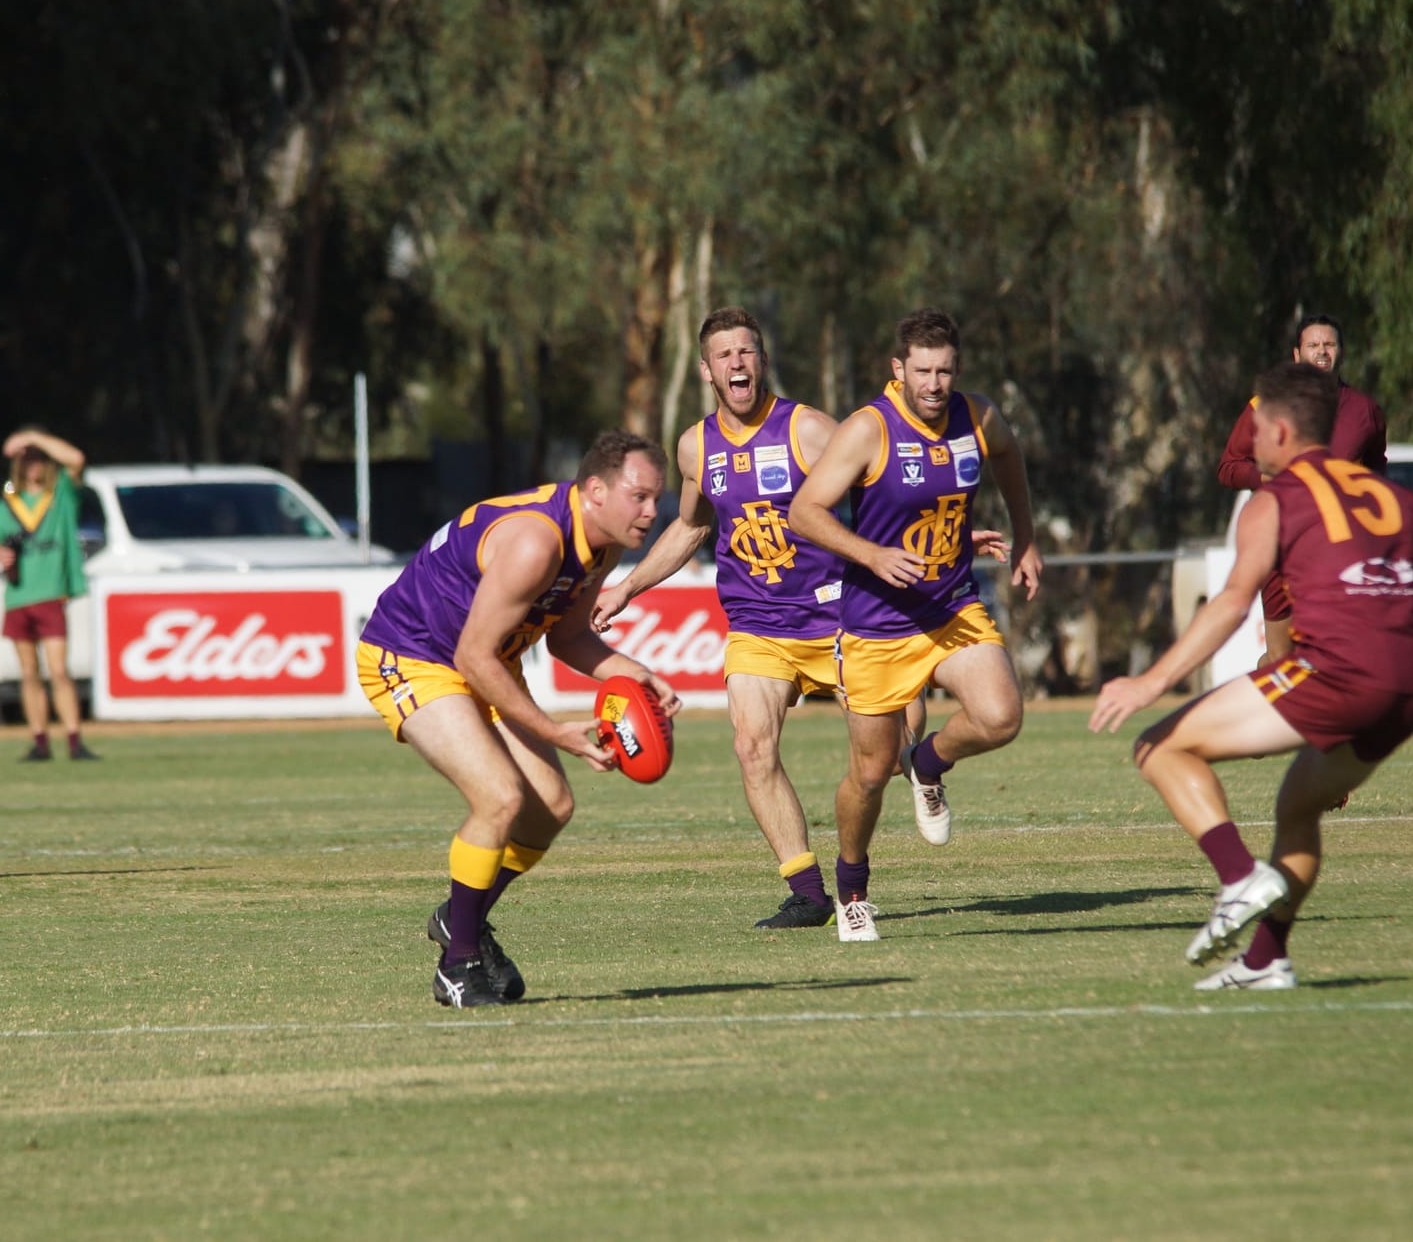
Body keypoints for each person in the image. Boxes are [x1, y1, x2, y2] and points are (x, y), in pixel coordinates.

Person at [591, 308, 1001, 931]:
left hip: (841, 617)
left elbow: (887, 492)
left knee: (890, 755)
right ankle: (809, 891)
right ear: (706, 370)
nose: (738, 363)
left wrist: (953, 542)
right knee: (751, 746)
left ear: (762, 360)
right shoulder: (695, 446)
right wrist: (628, 586)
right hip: (758, 626)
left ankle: (920, 771)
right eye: (725, 355)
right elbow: (693, 526)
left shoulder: (808, 429)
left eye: (748, 352)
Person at [1092, 361, 1413, 989]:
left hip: (1339, 674)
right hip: (1409, 687)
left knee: (1158, 746)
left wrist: (1148, 682)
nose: (1250, 440)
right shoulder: (1394, 496)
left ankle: (1238, 878)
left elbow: (1233, 604)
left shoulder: (1274, 499)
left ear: (1283, 432)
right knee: (1299, 803)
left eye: (1256, 427)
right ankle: (1267, 961)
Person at [358, 431, 682, 1008]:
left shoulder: (603, 543)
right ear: (596, 490)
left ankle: (462, 916)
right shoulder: (537, 541)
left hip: (484, 659)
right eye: (640, 496)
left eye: (658, 497)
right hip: (411, 656)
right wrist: (556, 730)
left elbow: (569, 637)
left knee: (550, 809)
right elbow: (470, 657)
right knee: (500, 798)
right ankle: (457, 964)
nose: (653, 511)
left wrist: (635, 675)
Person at [789, 308, 1041, 941]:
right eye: (923, 370)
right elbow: (804, 512)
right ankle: (851, 887)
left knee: (1001, 715)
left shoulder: (978, 416)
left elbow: (1007, 459)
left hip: (950, 604)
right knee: (869, 775)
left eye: (945, 370)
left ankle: (926, 764)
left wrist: (1028, 538)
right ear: (897, 370)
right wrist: (872, 555)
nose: (935, 383)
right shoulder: (868, 430)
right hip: (875, 624)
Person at [1217, 314, 1388, 665]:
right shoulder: (1266, 406)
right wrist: (1264, 480)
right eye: (1314, 345)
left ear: (1340, 352)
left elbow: (1376, 469)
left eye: (1329, 344)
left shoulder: (1364, 411)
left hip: (1338, 548)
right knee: (1282, 659)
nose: (1322, 352)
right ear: (1298, 355)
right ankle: (1265, 701)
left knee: (1338, 654)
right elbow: (1228, 468)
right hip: (1282, 545)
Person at [0, 428, 98, 762]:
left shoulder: (60, 493)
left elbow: (76, 459)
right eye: (27, 460)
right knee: (29, 672)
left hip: (51, 594)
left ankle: (74, 740)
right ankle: (40, 741)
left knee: (59, 671)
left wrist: (33, 437)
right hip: (19, 596)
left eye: (38, 459)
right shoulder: (9, 501)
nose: (34, 466)